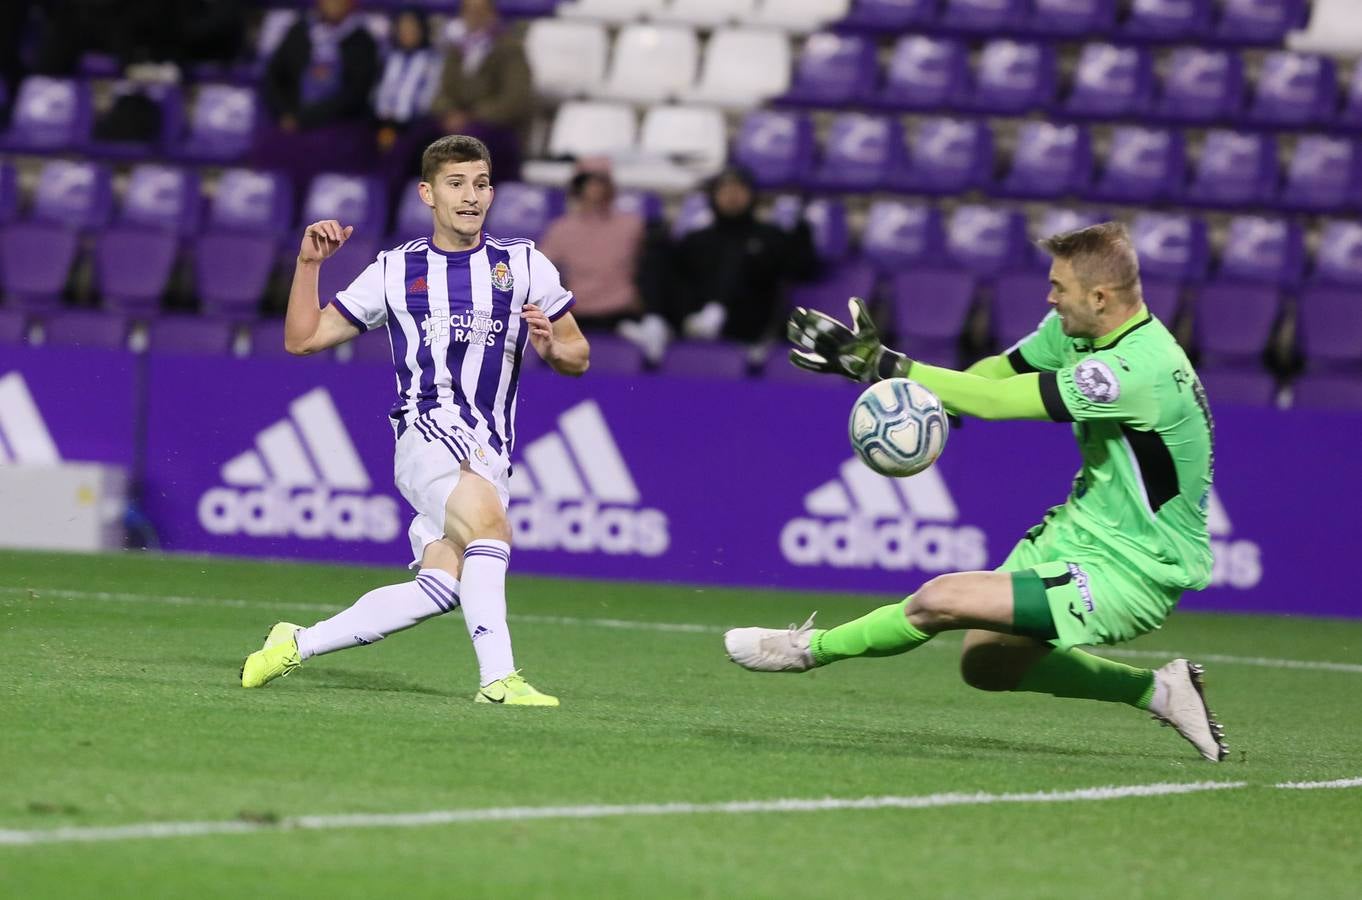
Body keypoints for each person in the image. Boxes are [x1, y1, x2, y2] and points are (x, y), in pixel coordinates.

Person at [724, 222, 1228, 762]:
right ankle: (1161, 692)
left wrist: (883, 365)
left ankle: (803, 651)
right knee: (986, 664)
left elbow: (995, 401)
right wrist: (929, 403)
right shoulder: (1076, 330)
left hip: (1136, 569)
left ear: (1100, 297)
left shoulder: (1136, 368)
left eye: (1059, 287)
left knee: (940, 600)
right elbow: (993, 375)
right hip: (1080, 530)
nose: (1049, 296)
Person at [240, 135, 590, 706]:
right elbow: (302, 339)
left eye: (480, 183)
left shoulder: (524, 264)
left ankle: (296, 643)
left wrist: (552, 349)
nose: (470, 196)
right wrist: (308, 265)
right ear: (428, 193)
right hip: (429, 429)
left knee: (441, 586)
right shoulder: (395, 271)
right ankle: (498, 680)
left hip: (491, 447)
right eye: (455, 184)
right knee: (492, 529)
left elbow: (578, 356)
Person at [667, 165, 818, 352]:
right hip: (695, 332)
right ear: (713, 196)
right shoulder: (695, 240)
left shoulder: (770, 236)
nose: (732, 196)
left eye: (739, 189)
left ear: (752, 195)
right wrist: (686, 316)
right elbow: (676, 283)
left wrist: (802, 229)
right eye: (725, 190)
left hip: (751, 334)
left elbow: (802, 268)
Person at [254, 0, 379, 183]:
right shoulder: (299, 32)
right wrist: (285, 113)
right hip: (293, 119)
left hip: (338, 124)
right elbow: (273, 77)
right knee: (268, 148)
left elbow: (356, 94)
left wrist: (306, 118)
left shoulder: (362, 41)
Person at [537, 161, 647, 332]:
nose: (595, 189)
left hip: (623, 314)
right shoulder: (561, 229)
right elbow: (537, 272)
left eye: (601, 182)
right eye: (589, 182)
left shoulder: (632, 226)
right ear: (578, 187)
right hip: (578, 315)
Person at [373, 8, 443, 157]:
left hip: (417, 122)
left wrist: (401, 120)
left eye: (412, 27)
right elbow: (379, 91)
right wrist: (386, 120)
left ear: (422, 30)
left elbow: (430, 97)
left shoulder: (433, 60)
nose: (407, 32)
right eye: (403, 27)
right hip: (384, 122)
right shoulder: (389, 57)